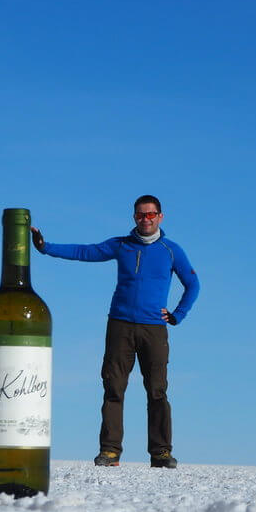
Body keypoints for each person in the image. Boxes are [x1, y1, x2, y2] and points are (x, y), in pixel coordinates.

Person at [30, 195, 200, 468]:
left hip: (153, 329)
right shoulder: (121, 245)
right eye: (140, 215)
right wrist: (45, 247)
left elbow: (193, 284)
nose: (146, 219)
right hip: (120, 325)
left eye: (151, 214)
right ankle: (109, 450)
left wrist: (178, 315)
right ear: (134, 217)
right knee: (113, 387)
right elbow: (85, 252)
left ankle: (161, 453)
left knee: (157, 390)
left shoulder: (171, 250)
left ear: (160, 217)